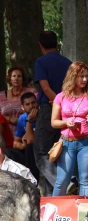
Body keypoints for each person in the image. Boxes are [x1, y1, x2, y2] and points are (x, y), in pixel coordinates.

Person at [33, 30, 73, 196]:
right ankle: (53, 196)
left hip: (50, 109)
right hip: (69, 110)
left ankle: (64, 182)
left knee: (42, 152)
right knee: (59, 152)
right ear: (57, 44)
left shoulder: (41, 62)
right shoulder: (68, 63)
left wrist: (57, 103)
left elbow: (45, 87)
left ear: (40, 45)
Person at [51, 61, 88, 196]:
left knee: (85, 180)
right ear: (73, 76)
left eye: (86, 76)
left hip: (85, 142)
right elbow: (54, 122)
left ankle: (85, 214)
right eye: (81, 76)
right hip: (66, 142)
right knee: (62, 180)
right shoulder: (61, 97)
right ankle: (54, 211)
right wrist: (66, 123)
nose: (85, 79)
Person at [7, 92, 39, 179]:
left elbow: (31, 141)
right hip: (27, 150)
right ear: (23, 107)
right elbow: (15, 142)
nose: (31, 106)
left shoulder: (43, 115)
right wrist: (22, 145)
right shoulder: (22, 118)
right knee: (8, 152)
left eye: (33, 102)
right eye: (27, 104)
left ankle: (32, 180)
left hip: (41, 150)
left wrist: (29, 120)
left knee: (30, 147)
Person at [0, 66, 36, 134]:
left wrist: (21, 119)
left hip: (27, 130)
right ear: (10, 79)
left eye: (19, 76)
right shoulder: (2, 95)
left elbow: (36, 110)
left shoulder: (31, 92)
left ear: (23, 79)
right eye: (14, 76)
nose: (16, 78)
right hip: (6, 132)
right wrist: (10, 119)